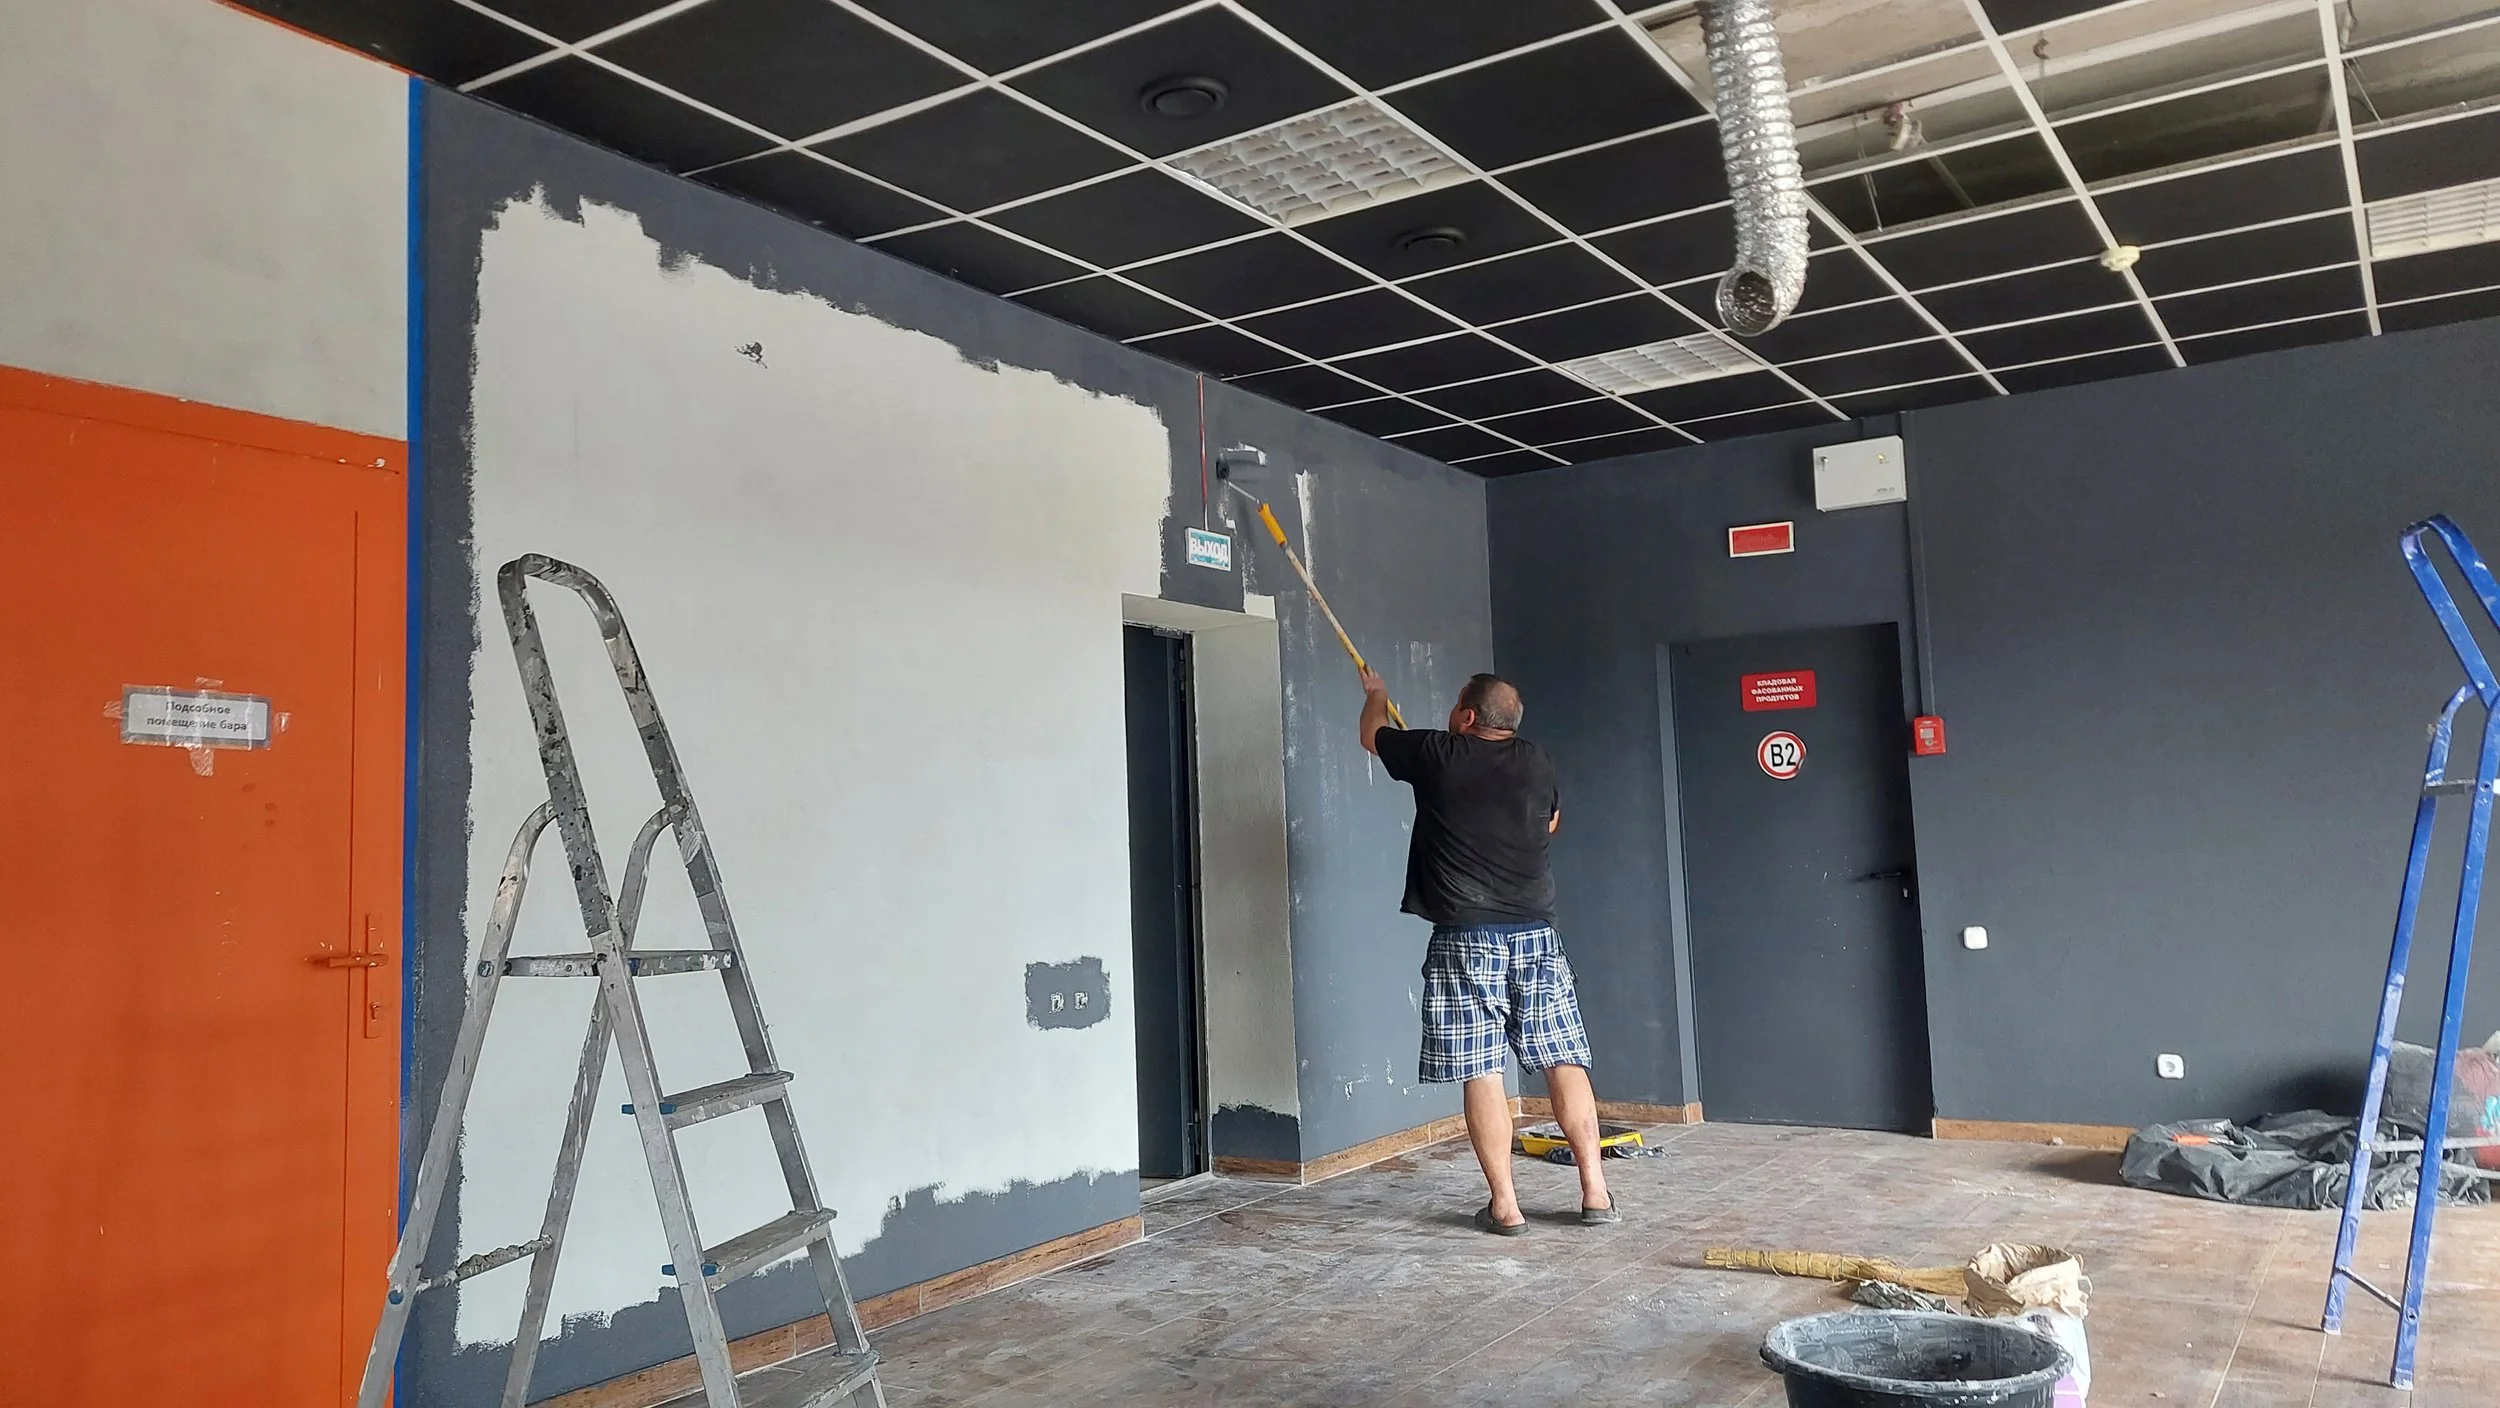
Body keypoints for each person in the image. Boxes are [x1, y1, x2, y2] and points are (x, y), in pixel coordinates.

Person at [1359, 667, 1616, 1235]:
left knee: (1481, 1070)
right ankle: (1594, 1192)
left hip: (1467, 938)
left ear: (1468, 717)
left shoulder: (1438, 752)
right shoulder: (1537, 760)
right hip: (1536, 933)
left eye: (1456, 707)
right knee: (1562, 1058)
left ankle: (1506, 1208)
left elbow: (1372, 734)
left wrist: (1376, 694)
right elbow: (1550, 822)